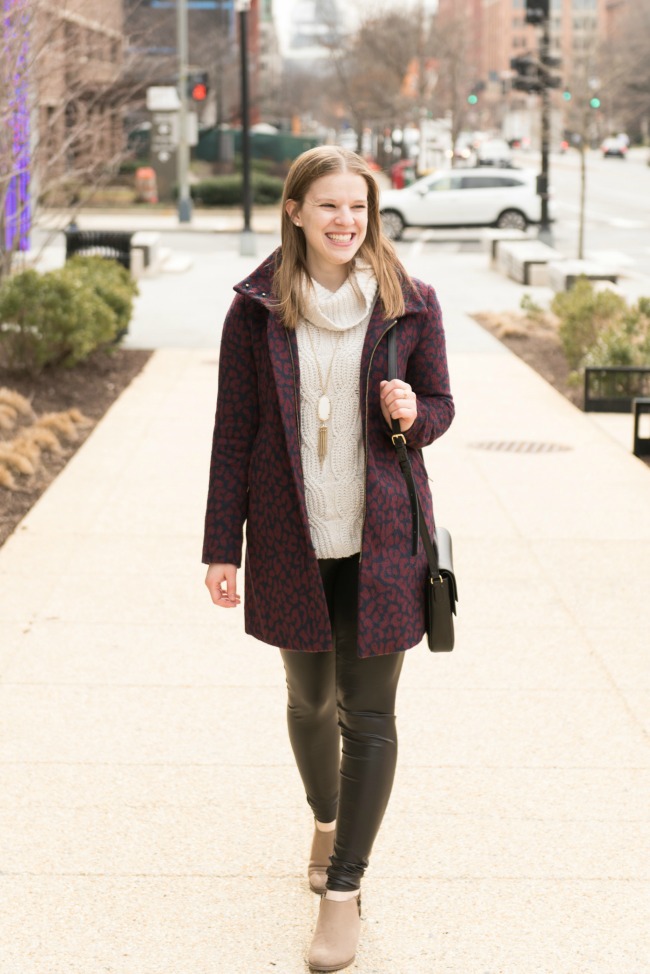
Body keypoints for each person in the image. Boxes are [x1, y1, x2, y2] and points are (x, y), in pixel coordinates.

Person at [203, 145, 454, 972]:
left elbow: (441, 411)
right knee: (309, 701)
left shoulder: (409, 304)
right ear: (297, 213)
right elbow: (233, 434)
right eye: (331, 207)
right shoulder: (254, 313)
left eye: (360, 208)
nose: (348, 222)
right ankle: (324, 815)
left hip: (383, 542)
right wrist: (220, 545)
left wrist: (414, 411)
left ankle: (343, 890)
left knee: (369, 715)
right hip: (289, 538)